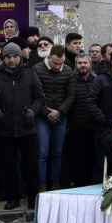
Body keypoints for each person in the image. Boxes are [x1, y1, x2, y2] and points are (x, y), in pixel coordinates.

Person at [0, 42, 45, 211]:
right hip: (4, 128)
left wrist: (32, 112)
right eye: (8, 56)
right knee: (9, 165)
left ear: (20, 57)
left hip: (27, 127)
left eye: (15, 56)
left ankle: (34, 199)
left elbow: (40, 98)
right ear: (3, 58)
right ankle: (13, 197)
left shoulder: (30, 74)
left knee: (31, 165)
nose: (12, 60)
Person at [65, 52, 107, 187]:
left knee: (93, 159)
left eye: (85, 63)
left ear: (90, 64)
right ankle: (79, 186)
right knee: (78, 160)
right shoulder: (70, 79)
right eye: (79, 63)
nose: (82, 65)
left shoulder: (97, 80)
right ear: (75, 65)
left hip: (94, 128)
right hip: (76, 127)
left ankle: (92, 186)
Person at [35, 44, 74, 190]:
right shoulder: (37, 70)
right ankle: (41, 183)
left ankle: (55, 183)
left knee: (57, 152)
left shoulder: (68, 71)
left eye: (61, 63)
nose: (58, 66)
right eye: (55, 63)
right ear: (49, 58)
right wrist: (46, 112)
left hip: (60, 116)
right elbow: (34, 94)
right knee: (42, 152)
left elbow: (71, 95)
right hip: (42, 116)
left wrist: (60, 111)